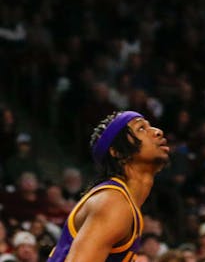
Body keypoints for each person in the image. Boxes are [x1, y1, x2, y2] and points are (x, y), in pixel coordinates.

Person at [48, 110, 170, 261]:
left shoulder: (124, 203)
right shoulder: (113, 202)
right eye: (141, 129)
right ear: (118, 152)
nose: (158, 132)